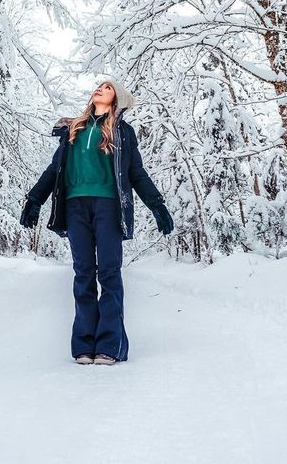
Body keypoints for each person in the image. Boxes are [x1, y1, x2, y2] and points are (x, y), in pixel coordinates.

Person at [20, 79, 174, 365]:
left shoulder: (123, 133)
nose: (99, 89)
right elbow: (55, 169)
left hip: (108, 207)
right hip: (74, 206)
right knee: (83, 273)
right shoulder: (73, 129)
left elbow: (136, 173)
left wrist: (157, 205)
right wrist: (34, 200)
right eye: (98, 86)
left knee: (109, 273)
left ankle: (108, 345)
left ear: (117, 99)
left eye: (108, 87)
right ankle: (83, 346)